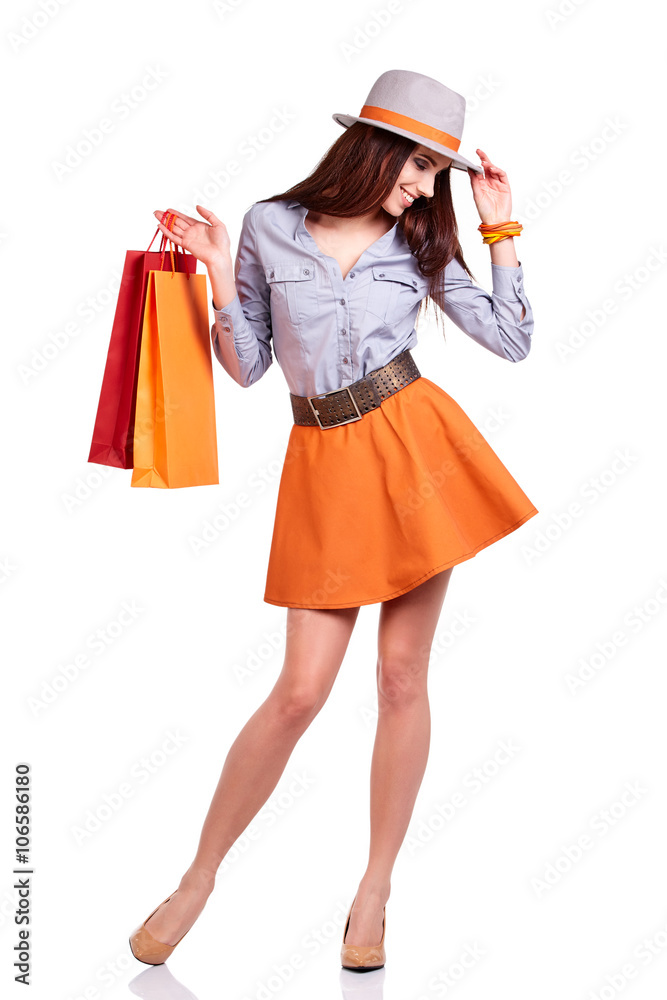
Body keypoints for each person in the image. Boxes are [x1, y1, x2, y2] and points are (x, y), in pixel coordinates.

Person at [129, 69, 538, 973]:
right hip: (320, 462)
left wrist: (499, 225)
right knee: (299, 693)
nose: (427, 188)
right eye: (421, 167)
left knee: (400, 678)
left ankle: (373, 891)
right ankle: (199, 876)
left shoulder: (423, 239)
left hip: (414, 451)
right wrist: (215, 269)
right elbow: (246, 370)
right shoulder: (270, 227)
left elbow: (510, 340)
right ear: (375, 148)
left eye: (438, 172)